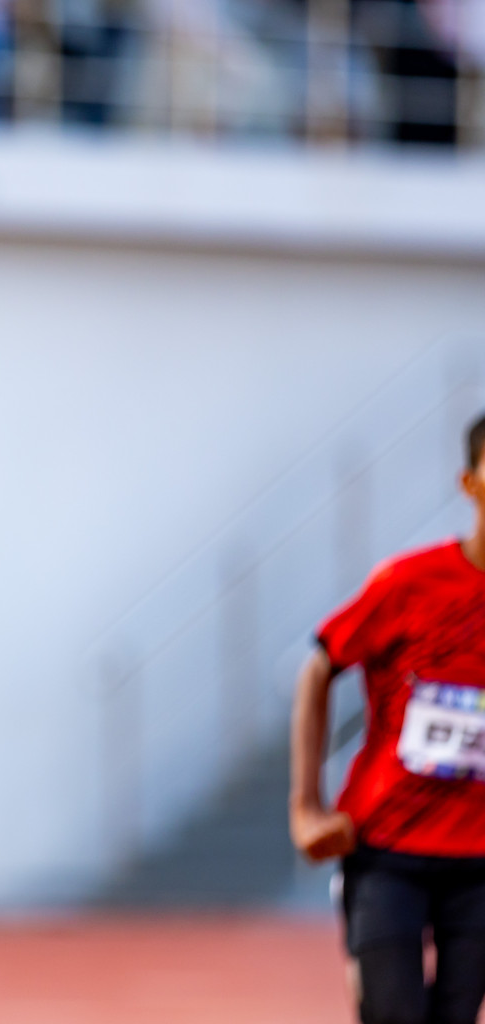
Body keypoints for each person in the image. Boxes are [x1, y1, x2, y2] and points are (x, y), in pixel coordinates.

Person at [290, 411, 485, 1024]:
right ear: (471, 484)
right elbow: (319, 667)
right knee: (395, 1015)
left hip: (478, 861)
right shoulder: (410, 583)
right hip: (387, 847)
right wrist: (305, 807)